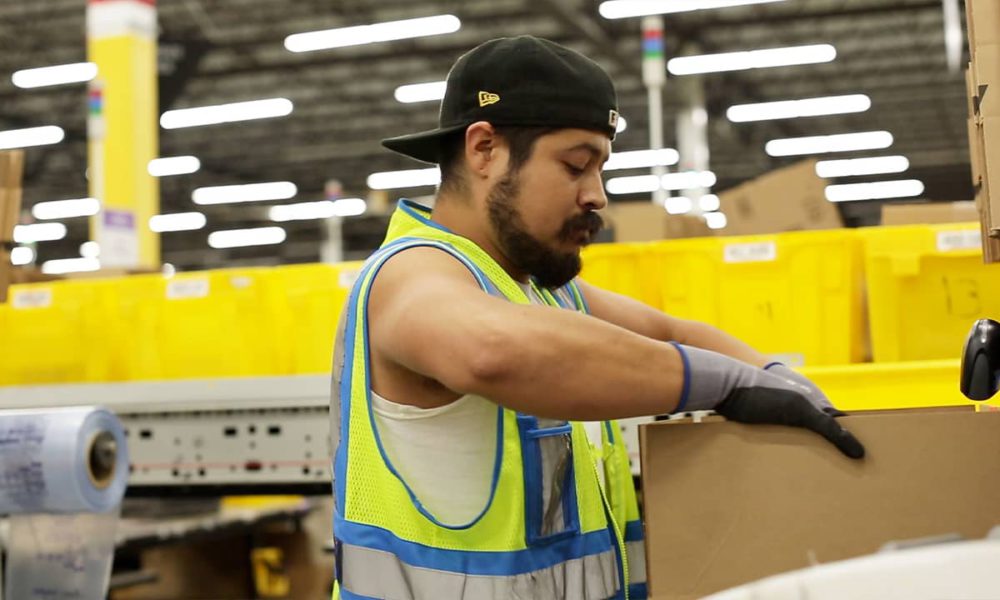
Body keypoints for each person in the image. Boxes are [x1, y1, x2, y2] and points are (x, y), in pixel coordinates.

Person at [329, 35, 865, 600]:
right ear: (484, 149)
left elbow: (673, 334)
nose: (597, 195)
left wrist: (777, 376)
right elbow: (491, 352)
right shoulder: (410, 274)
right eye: (576, 166)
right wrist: (724, 385)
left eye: (600, 169)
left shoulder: (541, 292)